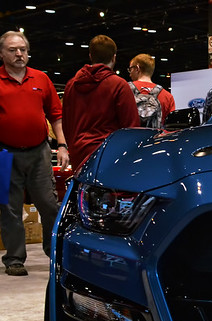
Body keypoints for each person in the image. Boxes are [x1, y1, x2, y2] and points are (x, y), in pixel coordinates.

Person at [0, 30, 68, 276]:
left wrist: (62, 145)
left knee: (49, 204)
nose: (19, 54)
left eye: (23, 49)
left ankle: (54, 253)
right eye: (12, 50)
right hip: (4, 153)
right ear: (2, 54)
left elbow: (56, 115)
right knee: (9, 207)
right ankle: (15, 259)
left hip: (39, 151)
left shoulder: (41, 79)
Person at [62, 35, 140, 170]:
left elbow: (66, 125)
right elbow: (131, 127)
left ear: (91, 55)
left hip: (79, 155)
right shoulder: (119, 85)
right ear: (114, 57)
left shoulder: (71, 85)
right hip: (109, 157)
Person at [128, 53, 175, 126]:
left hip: (129, 136)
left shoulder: (124, 89)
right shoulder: (167, 96)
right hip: (156, 136)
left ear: (137, 68)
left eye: (130, 69)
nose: (129, 74)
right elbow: (170, 127)